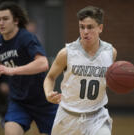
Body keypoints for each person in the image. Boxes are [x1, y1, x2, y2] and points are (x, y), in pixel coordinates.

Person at [0, 2, 57, 135]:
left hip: (43, 100)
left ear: (16, 20)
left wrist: (14, 70)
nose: (1, 23)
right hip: (19, 101)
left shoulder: (26, 38)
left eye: (5, 19)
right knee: (11, 131)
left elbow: (43, 63)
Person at [44, 6, 117, 135]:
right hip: (68, 116)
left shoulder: (110, 52)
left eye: (90, 27)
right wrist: (48, 93)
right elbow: (50, 77)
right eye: (82, 27)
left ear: (100, 28)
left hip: (97, 116)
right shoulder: (66, 53)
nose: (85, 31)